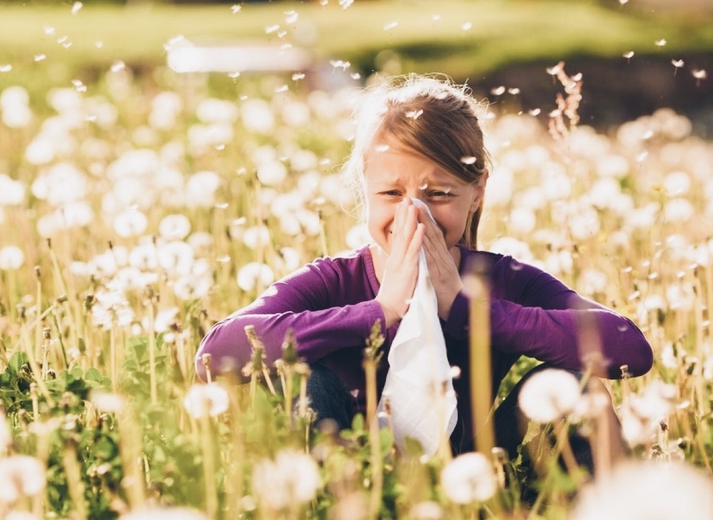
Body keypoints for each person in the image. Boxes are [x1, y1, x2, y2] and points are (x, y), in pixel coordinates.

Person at [196, 74, 653, 459]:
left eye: (438, 194)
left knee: (576, 386)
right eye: (391, 194)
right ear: (364, 189)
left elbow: (629, 348)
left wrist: (470, 310)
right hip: (346, 464)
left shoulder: (499, 279)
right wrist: (379, 311)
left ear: (477, 194)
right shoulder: (334, 279)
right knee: (304, 381)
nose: (413, 214)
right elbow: (215, 353)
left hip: (476, 466)